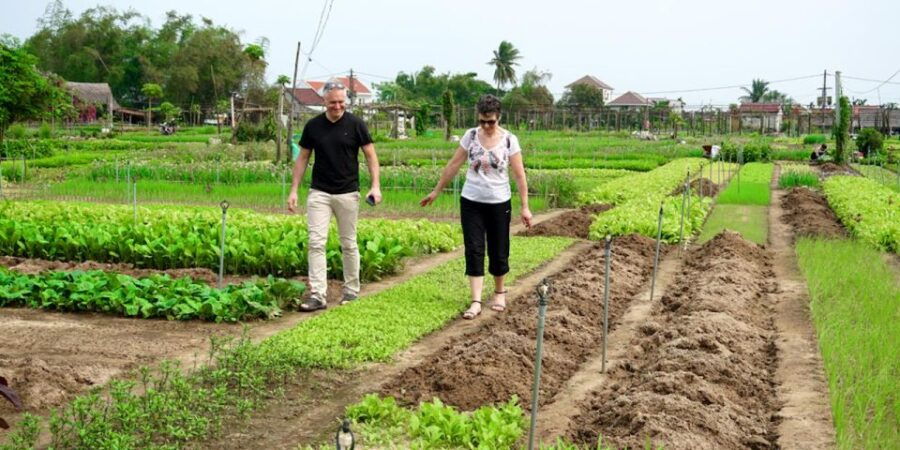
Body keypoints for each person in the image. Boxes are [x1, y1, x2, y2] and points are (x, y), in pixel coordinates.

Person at [420, 94, 532, 319]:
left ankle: (500, 293)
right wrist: (437, 190)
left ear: (498, 117)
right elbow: (454, 164)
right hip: (471, 201)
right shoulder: (470, 136)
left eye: (491, 121)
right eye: (482, 121)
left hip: (499, 202)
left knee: (499, 248)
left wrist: (525, 207)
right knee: (474, 248)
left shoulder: (509, 140)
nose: (487, 126)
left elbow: (519, 175)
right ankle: (476, 301)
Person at [287, 81, 382, 311]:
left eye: (341, 102)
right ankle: (318, 295)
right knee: (316, 242)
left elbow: (371, 156)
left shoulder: (356, 124)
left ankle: (351, 291)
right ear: (324, 101)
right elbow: (302, 158)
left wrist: (375, 186)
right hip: (319, 192)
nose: (337, 106)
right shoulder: (313, 126)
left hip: (348, 193)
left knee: (348, 243)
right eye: (333, 102)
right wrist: (293, 190)